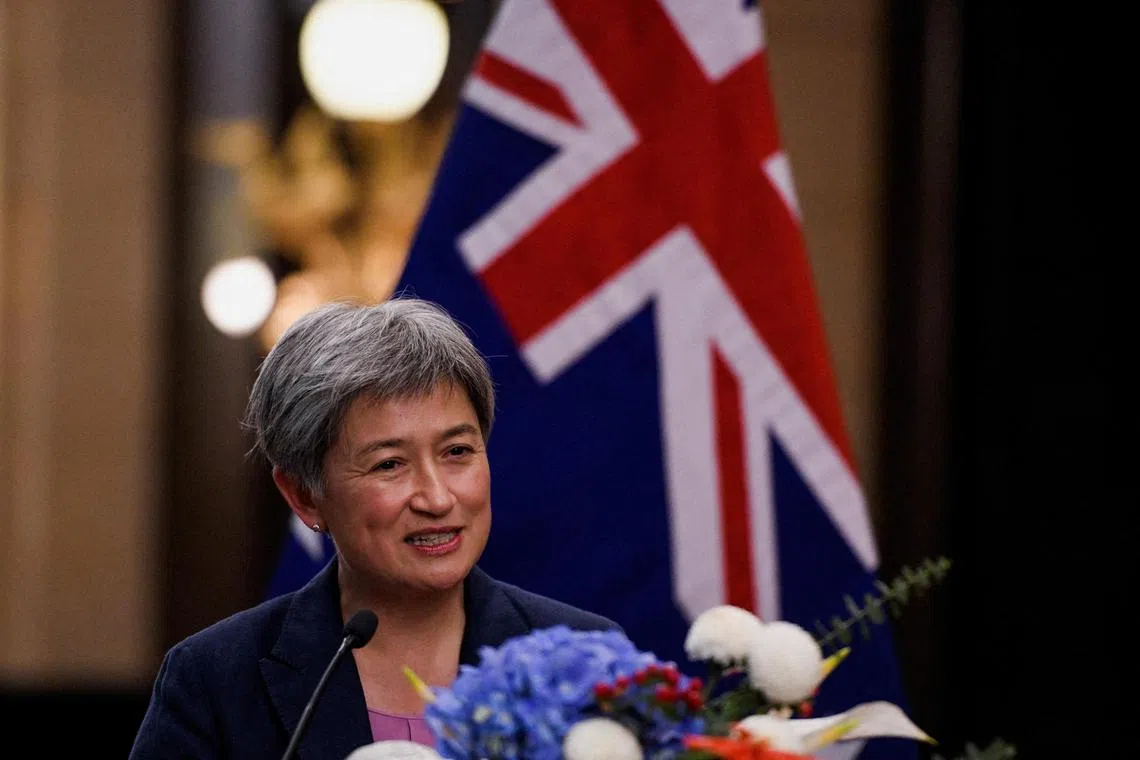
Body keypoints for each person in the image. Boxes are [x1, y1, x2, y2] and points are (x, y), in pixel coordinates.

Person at [129, 296, 620, 760]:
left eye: (457, 452)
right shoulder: (215, 681)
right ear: (304, 495)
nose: (437, 498)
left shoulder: (589, 659)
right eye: (389, 465)